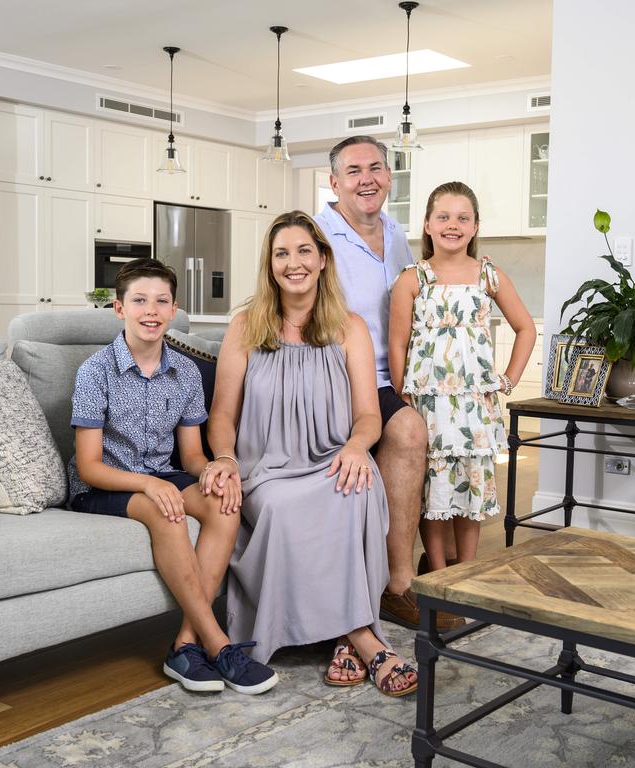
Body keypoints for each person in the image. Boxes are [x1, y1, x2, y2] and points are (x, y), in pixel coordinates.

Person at [208, 211, 418, 697]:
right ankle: (363, 637)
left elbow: (369, 414)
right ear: (270, 264)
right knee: (284, 508)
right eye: (282, 253)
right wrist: (225, 458)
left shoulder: (350, 327)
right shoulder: (245, 327)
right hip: (268, 471)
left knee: (357, 489)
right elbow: (222, 416)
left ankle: (347, 635)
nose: (293, 262)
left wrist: (353, 448)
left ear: (323, 259)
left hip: (330, 456)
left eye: (304, 251)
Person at [66, 258, 278, 695]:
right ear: (119, 309)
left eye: (161, 301)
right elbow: (88, 467)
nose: (151, 310)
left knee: (224, 502)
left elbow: (192, 456)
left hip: (164, 475)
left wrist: (219, 469)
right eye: (139, 300)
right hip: (103, 486)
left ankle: (185, 644)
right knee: (165, 510)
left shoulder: (185, 373)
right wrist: (147, 483)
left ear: (173, 308)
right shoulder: (95, 372)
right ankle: (219, 644)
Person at [314, 135, 456, 630]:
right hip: (336, 375)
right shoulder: (317, 234)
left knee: (440, 430)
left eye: (375, 168)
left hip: (396, 375)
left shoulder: (398, 235)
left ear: (390, 177)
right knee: (410, 431)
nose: (366, 179)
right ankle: (397, 585)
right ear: (334, 182)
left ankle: (423, 572)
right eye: (353, 171)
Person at [389, 181, 537, 574]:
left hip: (475, 405)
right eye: (443, 216)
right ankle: (437, 571)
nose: (452, 225)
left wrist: (507, 380)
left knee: (472, 483)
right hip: (428, 403)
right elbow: (398, 343)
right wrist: (405, 398)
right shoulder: (412, 280)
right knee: (433, 486)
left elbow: (527, 328)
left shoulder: (489, 275)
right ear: (427, 224)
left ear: (474, 227)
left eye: (462, 218)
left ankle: (465, 571)